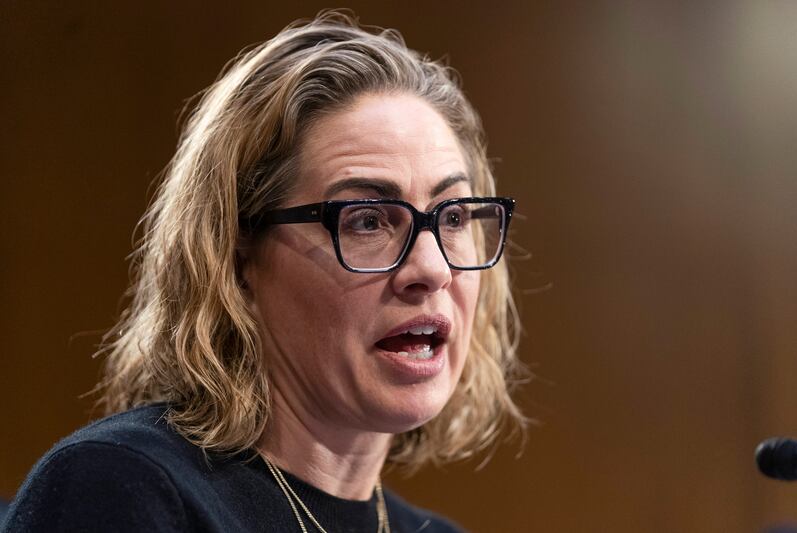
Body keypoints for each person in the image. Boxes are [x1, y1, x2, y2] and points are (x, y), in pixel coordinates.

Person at [2, 11, 526, 532]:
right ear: (236, 258)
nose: (432, 269)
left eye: (453, 217)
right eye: (367, 220)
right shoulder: (123, 489)